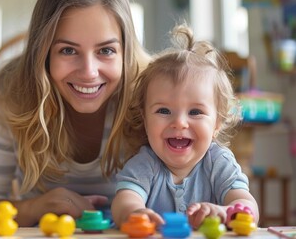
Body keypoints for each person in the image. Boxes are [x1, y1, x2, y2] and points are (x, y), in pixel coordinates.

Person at [0, 0, 150, 226]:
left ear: (125, 51)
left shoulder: (153, 94)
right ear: (44, 53)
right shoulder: (12, 94)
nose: (89, 72)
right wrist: (34, 208)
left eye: (106, 50)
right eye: (68, 50)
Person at [111, 23, 259, 229]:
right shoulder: (145, 163)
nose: (179, 123)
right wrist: (135, 213)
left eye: (195, 112)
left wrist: (226, 212)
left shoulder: (218, 162)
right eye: (163, 111)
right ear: (145, 120)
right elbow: (123, 201)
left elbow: (247, 204)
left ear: (217, 123)